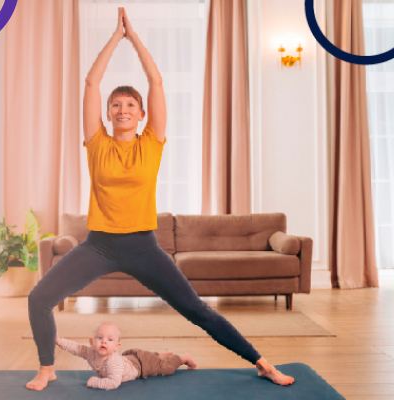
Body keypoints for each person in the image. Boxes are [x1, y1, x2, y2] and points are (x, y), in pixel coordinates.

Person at [25, 7, 295, 391]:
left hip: (142, 246)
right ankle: (46, 367)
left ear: (141, 115)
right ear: (107, 113)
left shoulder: (151, 144)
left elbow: (155, 79)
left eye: (130, 106)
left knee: (196, 310)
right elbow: (90, 82)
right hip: (99, 245)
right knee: (39, 298)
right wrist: (112, 40)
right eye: (115, 105)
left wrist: (133, 39)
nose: (122, 110)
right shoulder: (96, 144)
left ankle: (263, 363)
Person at [56, 321, 196, 390]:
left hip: (140, 365)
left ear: (117, 347)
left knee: (166, 369)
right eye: (100, 337)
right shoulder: (89, 352)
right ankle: (159, 355)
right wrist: (59, 341)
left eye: (110, 339)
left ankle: (183, 357)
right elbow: (76, 348)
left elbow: (114, 382)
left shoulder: (113, 363)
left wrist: (95, 382)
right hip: (131, 357)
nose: (104, 341)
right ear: (92, 342)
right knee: (151, 358)